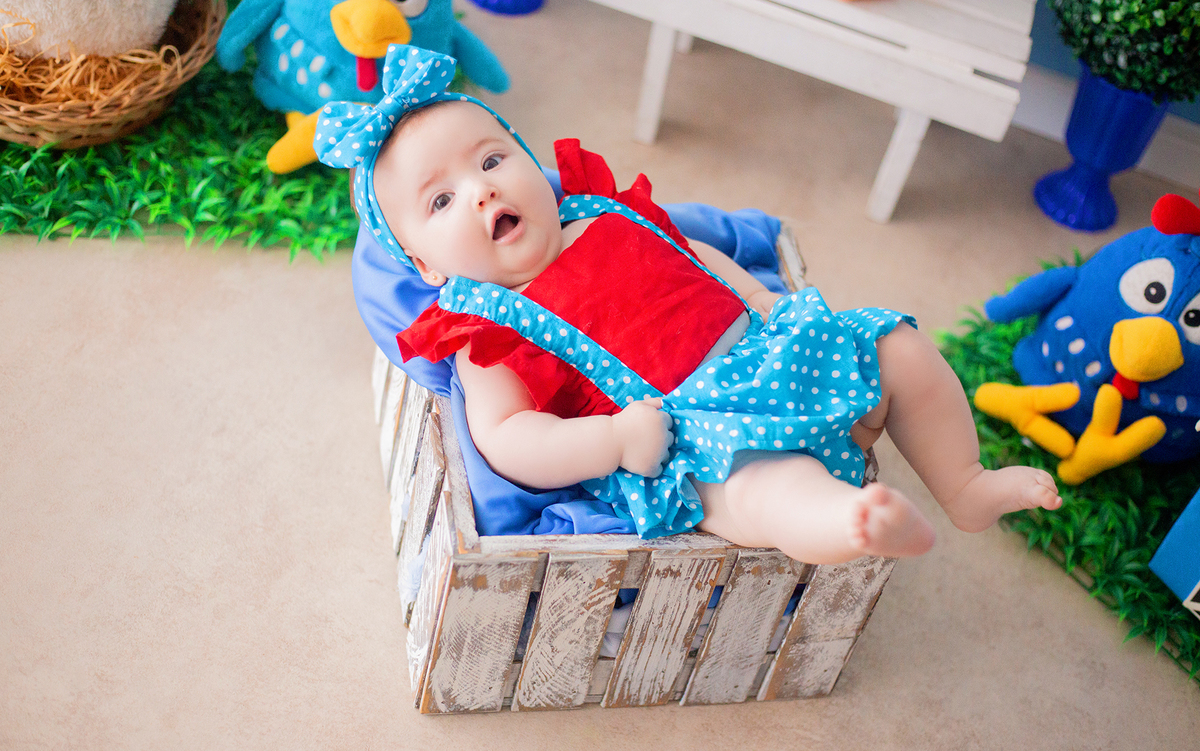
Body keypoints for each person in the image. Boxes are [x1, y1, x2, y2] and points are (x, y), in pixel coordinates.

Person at [316, 45, 1062, 564]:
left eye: (491, 159)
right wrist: (611, 442)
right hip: (692, 427)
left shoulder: (603, 214)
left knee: (899, 346)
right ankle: (849, 520)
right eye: (442, 200)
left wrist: (763, 299)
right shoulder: (485, 332)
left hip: (768, 349)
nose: (481, 189)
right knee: (761, 492)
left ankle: (962, 484)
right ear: (425, 265)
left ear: (530, 164)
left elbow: (693, 254)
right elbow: (510, 437)